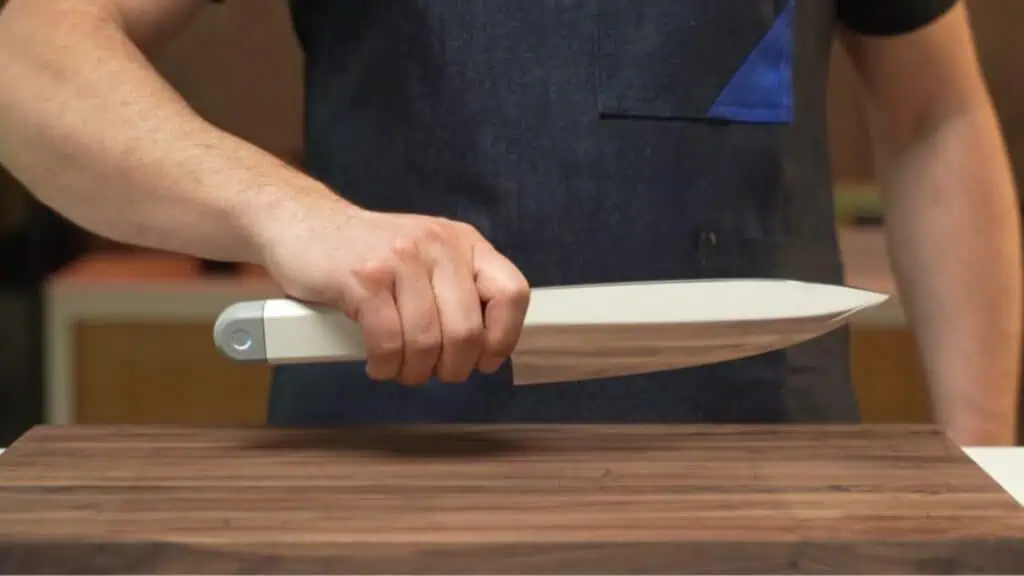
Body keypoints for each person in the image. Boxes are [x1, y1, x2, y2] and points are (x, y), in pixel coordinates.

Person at [0, 0, 1019, 444]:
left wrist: (982, 461)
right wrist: (287, 214)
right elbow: (26, 56)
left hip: (770, 488)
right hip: (383, 500)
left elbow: (937, 118)